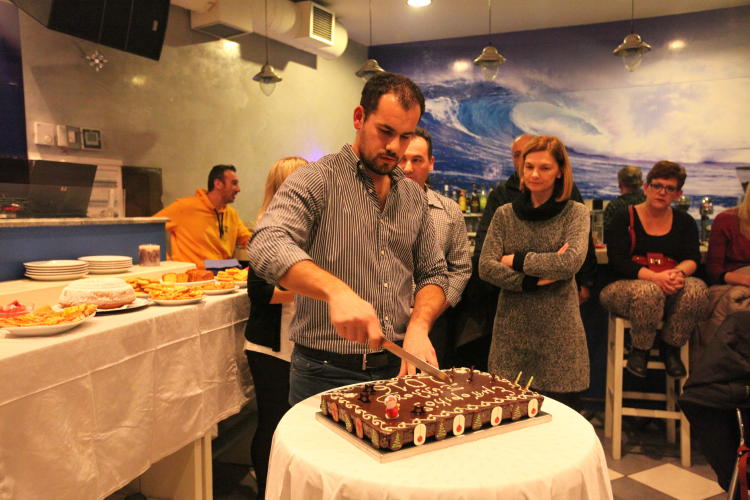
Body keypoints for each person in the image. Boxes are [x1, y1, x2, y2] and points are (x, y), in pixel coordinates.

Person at [248, 72, 448, 406]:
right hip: (324, 372)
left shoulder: (413, 196)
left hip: (397, 369)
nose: (394, 147)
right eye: (385, 131)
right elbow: (267, 243)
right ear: (359, 118)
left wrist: (419, 324)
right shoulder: (317, 179)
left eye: (405, 136)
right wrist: (336, 291)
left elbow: (434, 273)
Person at [453, 133, 597, 370]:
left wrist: (515, 260)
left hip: (560, 326)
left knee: (559, 393)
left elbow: (569, 263)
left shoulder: (576, 212)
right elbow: (486, 267)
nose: (534, 174)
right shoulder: (504, 213)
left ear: (560, 171)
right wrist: (531, 281)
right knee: (507, 392)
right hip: (510, 325)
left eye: (544, 168)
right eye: (529, 166)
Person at [601, 161, 709, 378]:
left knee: (697, 289)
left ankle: (671, 348)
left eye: (670, 188)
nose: (662, 192)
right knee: (648, 291)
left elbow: (692, 258)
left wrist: (676, 274)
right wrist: (655, 277)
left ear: (678, 194)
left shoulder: (685, 221)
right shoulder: (624, 217)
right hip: (624, 286)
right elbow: (618, 260)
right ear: (645, 187)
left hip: (670, 280)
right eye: (657, 185)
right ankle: (640, 349)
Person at [244, 156, 306, 500]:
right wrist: (313, 288)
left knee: (299, 425)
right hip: (270, 347)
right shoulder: (266, 232)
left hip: (301, 344)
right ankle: (266, 491)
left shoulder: (314, 230)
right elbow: (259, 293)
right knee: (272, 422)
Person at [398, 127, 471, 367]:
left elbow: (460, 270)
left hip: (434, 325)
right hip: (382, 324)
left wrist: (430, 312)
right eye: (402, 159)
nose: (408, 168)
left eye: (416, 160)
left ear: (430, 163)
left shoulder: (449, 211)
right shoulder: (373, 207)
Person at [154, 165, 251, 268]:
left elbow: (247, 239)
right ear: (218, 184)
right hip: (193, 273)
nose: (238, 189)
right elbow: (149, 229)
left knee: (241, 268)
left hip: (223, 270)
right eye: (234, 183)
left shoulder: (231, 213)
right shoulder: (184, 207)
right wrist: (167, 262)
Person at [699, 183, 750, 346]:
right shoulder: (727, 220)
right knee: (736, 303)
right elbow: (714, 270)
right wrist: (745, 280)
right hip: (728, 285)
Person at [603, 165, 646, 237]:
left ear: (620, 183)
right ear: (641, 182)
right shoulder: (648, 202)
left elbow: (605, 233)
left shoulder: (615, 205)